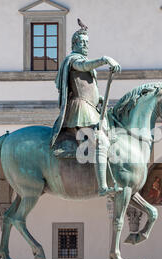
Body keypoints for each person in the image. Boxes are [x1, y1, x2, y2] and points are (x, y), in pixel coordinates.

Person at [49, 21, 122, 196]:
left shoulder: (82, 60)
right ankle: (103, 186)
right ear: (74, 44)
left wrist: (99, 98)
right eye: (81, 43)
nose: (85, 46)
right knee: (101, 141)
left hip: (90, 106)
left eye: (87, 43)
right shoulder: (73, 60)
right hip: (80, 109)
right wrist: (105, 59)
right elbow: (84, 67)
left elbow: (87, 86)